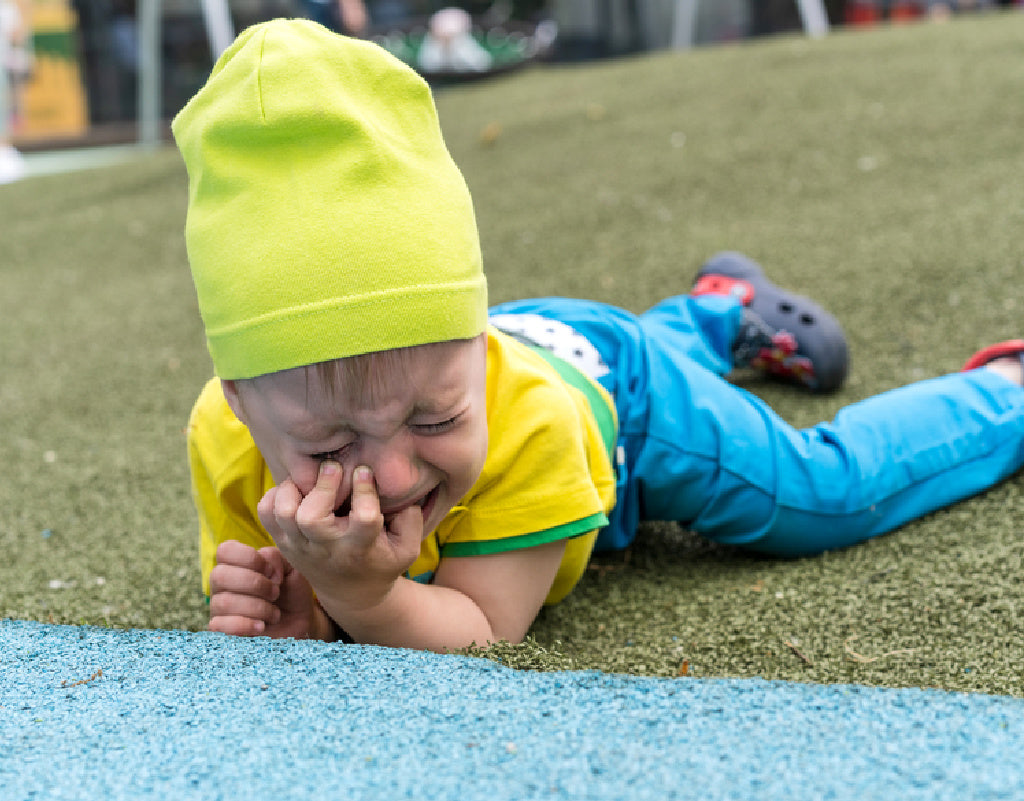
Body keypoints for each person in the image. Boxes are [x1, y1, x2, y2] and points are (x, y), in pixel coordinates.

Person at [174, 19, 1024, 652]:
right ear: (243, 403)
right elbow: (297, 609)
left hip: (623, 402)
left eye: (435, 420)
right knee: (503, 382)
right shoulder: (226, 435)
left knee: (820, 495)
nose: (394, 474)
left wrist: (355, 598)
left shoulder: (524, 422)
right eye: (328, 443)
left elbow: (479, 626)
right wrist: (296, 612)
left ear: (476, 345)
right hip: (541, 345)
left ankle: (1004, 391)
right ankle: (719, 307)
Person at [0, 0, 30, 184]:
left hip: (4, 67)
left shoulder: (6, 8)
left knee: (6, 112)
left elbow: (17, 36)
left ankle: (5, 152)